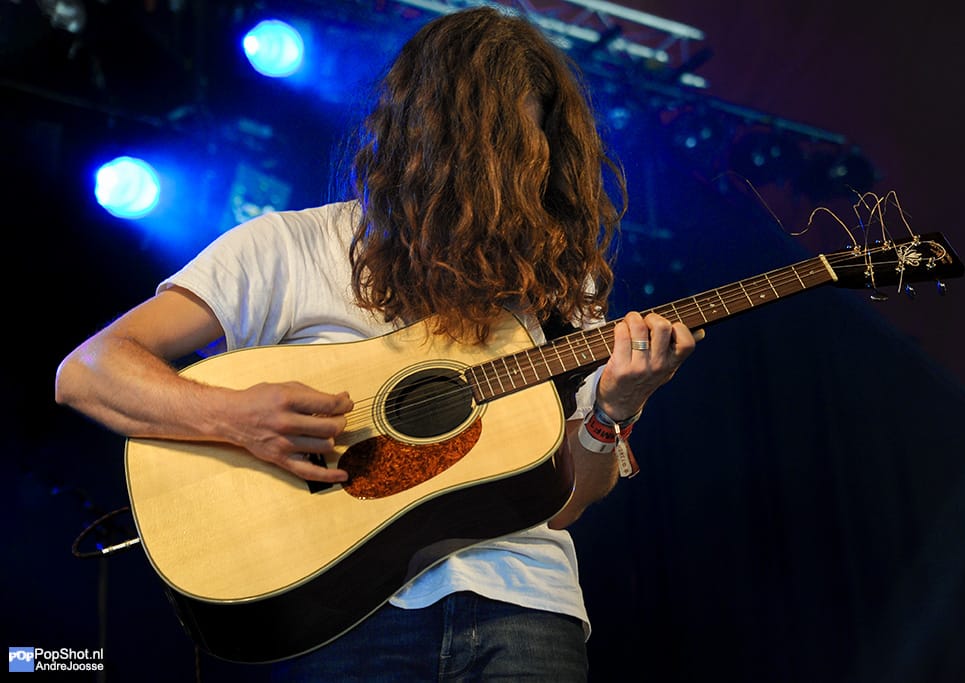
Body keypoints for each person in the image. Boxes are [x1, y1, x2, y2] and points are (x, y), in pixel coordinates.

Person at [54, 6, 701, 680]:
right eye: (491, 153)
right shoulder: (288, 247)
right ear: (423, 135)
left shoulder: (559, 284)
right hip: (344, 610)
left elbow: (563, 503)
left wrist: (614, 411)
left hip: (526, 604)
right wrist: (234, 416)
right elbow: (89, 371)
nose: (508, 180)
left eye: (526, 155)